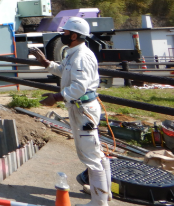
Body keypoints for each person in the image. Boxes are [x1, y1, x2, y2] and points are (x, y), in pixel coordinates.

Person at [30, 17, 111, 206]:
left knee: (90, 156)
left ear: (74, 35)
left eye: (65, 33)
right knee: (95, 152)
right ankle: (103, 192)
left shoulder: (81, 56)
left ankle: (99, 202)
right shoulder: (74, 53)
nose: (63, 35)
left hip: (83, 110)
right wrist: (45, 63)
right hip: (82, 109)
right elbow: (64, 71)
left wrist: (55, 97)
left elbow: (79, 87)